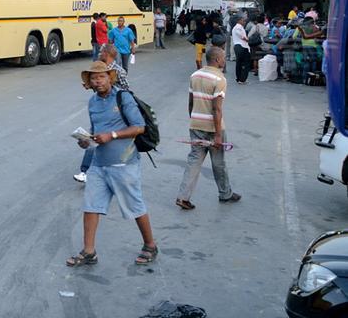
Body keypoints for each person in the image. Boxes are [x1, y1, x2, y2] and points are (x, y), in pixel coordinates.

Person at [66, 61, 158, 267]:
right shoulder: (92, 103)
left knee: (135, 206)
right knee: (91, 206)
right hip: (99, 164)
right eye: (93, 78)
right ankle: (89, 251)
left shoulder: (122, 97)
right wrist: (86, 142)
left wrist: (112, 135)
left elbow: (139, 127)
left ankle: (150, 245)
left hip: (123, 163)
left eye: (101, 77)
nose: (97, 81)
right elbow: (96, 130)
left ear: (110, 77)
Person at [175, 47, 240, 209]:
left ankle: (183, 196)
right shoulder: (220, 79)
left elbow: (190, 103)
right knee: (218, 162)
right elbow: (216, 109)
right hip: (213, 127)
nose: (225, 60)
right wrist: (218, 134)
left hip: (196, 124)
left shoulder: (194, 75)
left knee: (194, 160)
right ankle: (225, 194)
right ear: (217, 60)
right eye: (223, 57)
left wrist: (194, 121)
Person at [75, 45, 130, 183]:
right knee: (94, 137)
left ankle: (89, 171)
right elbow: (101, 91)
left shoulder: (119, 71)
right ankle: (88, 170)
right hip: (102, 108)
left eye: (101, 52)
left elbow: (126, 92)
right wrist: (91, 86)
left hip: (115, 112)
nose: (99, 53)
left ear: (107, 53)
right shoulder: (101, 69)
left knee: (99, 138)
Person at [232, 14, 250, 84]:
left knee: (239, 63)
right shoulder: (238, 27)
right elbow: (242, 36)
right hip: (242, 46)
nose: (244, 22)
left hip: (238, 46)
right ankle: (242, 79)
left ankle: (239, 78)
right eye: (243, 21)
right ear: (239, 20)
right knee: (245, 63)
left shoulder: (236, 27)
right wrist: (247, 39)